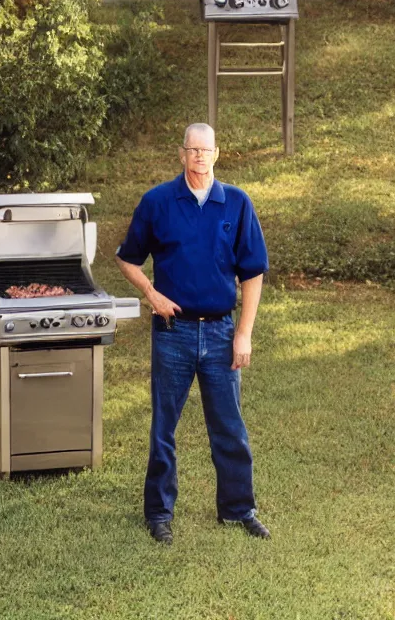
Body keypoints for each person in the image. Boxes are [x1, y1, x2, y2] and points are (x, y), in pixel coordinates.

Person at [115, 123, 270, 545]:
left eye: (207, 150)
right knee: (164, 426)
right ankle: (159, 514)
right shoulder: (158, 202)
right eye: (192, 149)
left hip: (221, 332)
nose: (200, 156)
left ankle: (239, 510)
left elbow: (253, 273)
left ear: (217, 154)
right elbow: (127, 259)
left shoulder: (236, 203)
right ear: (181, 154)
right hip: (173, 333)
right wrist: (151, 293)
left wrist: (244, 334)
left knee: (230, 426)